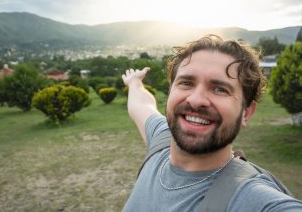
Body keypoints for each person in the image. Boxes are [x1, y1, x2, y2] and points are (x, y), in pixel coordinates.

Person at [121, 35, 302, 211]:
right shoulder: (160, 139)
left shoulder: (253, 198)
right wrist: (135, 83)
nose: (196, 99)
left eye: (219, 89)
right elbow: (142, 104)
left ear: (246, 113)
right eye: (186, 83)